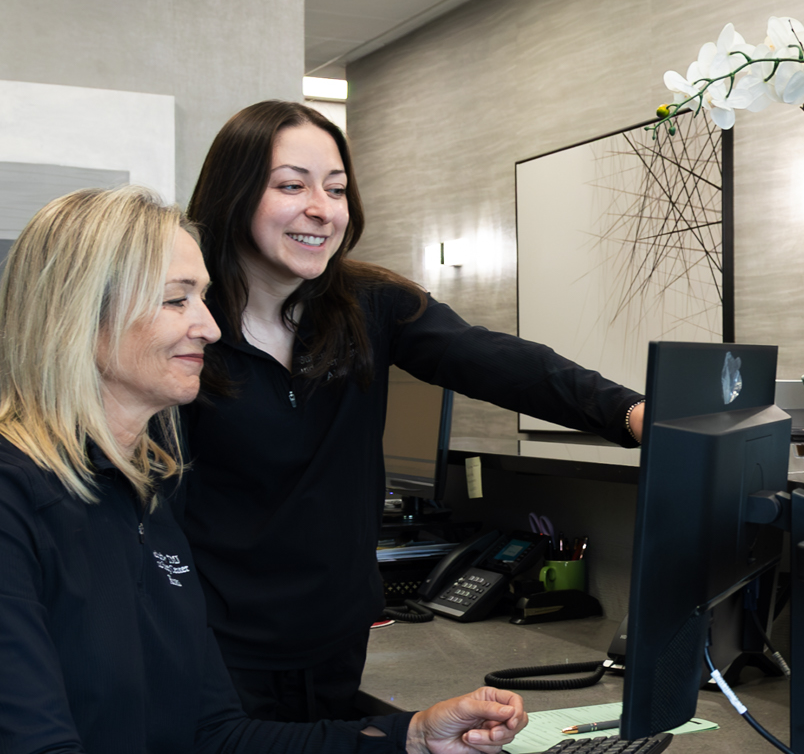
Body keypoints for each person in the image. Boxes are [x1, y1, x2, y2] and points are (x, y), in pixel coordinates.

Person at [0, 185, 528, 754]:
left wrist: (413, 736)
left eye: (205, 297)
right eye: (177, 300)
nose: (210, 326)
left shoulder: (143, 496)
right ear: (78, 315)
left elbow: (214, 737)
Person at [179, 101, 645, 721]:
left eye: (336, 189)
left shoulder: (369, 305)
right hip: (215, 646)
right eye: (292, 186)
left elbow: (497, 361)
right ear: (232, 194)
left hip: (336, 637)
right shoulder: (185, 328)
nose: (322, 209)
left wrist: (632, 413)